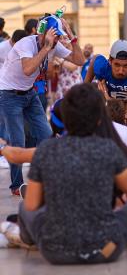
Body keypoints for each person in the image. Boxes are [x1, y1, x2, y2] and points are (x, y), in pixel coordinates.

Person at [0, 84, 127, 264]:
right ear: (100, 119)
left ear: (64, 118)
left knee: (25, 208)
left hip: (54, 252)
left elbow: (32, 205)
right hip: (106, 249)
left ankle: (26, 239)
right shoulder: (109, 149)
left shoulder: (45, 150)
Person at [0, 14, 85, 195]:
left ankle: (47, 177)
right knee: (18, 140)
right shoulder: (26, 44)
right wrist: (46, 47)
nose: (57, 41)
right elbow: (28, 68)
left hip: (29, 93)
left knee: (46, 135)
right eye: (55, 36)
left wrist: (71, 36)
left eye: (59, 36)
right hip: (8, 94)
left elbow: (80, 61)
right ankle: (17, 185)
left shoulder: (55, 45)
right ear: (43, 33)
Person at [0, 30, 27, 170]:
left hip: (13, 88)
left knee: (9, 123)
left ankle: (6, 152)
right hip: (3, 88)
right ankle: (4, 153)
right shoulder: (3, 47)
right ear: (12, 41)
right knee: (4, 123)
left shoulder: (22, 48)